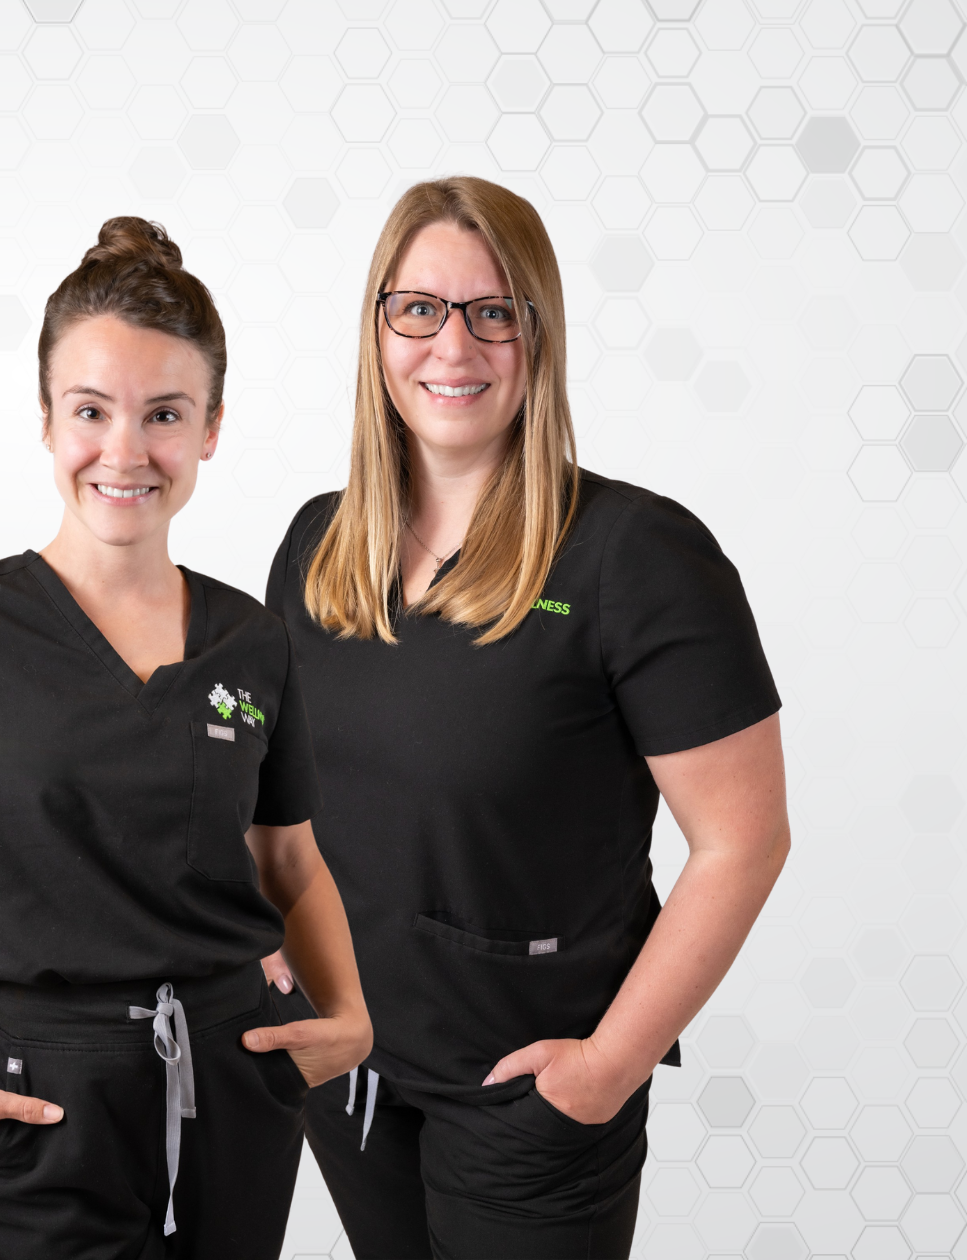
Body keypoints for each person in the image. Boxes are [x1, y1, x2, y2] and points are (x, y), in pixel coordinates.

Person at [263, 177, 791, 1258]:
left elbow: (744, 842)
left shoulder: (638, 557)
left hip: (529, 1097)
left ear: (538, 335)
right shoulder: (317, 547)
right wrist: (269, 943)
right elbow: (278, 795)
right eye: (419, 309)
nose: (452, 345)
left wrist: (604, 1070)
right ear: (377, 330)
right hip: (349, 1076)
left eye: (492, 311)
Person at [0, 217, 373, 1258]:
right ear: (46, 419)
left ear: (211, 428)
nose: (125, 452)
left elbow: (291, 862)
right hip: (38, 1089)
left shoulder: (252, 643)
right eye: (92, 411)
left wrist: (350, 1012)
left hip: (234, 1075)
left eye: (164, 415)